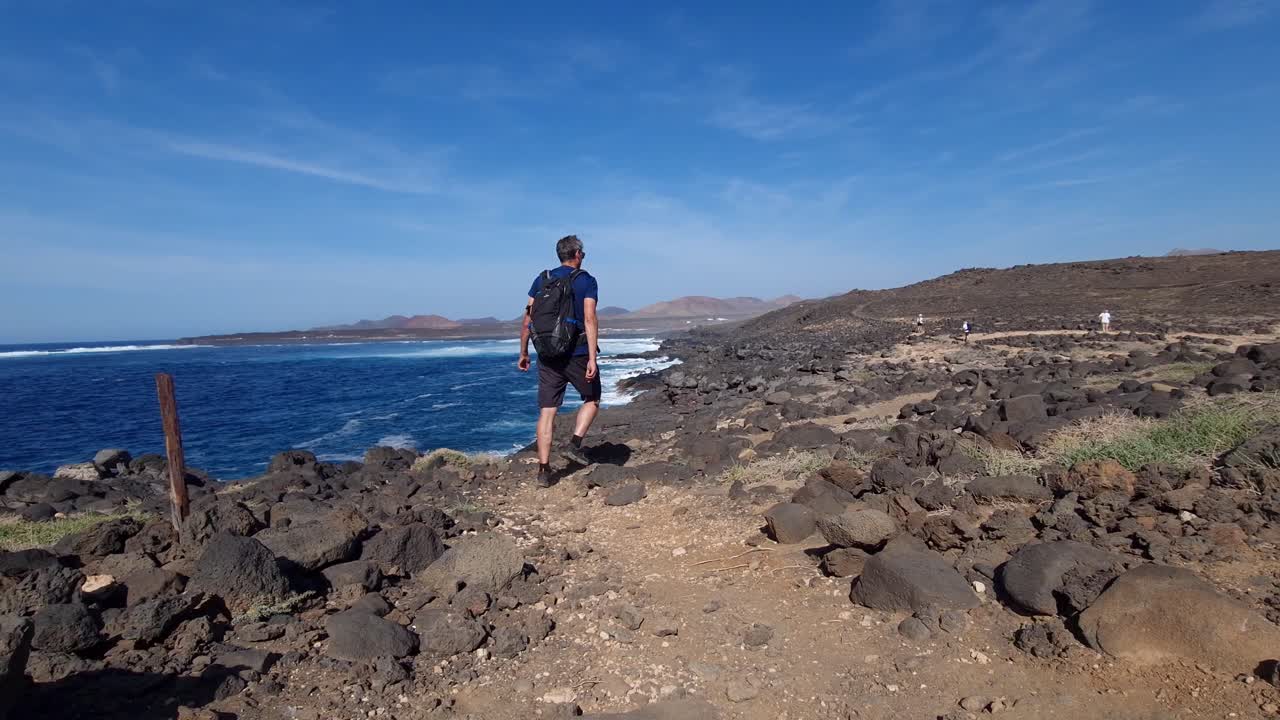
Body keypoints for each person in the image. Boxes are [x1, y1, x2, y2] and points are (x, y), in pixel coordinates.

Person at [518, 235, 601, 487]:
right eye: (582, 252)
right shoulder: (586, 280)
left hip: (547, 354)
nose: (583, 256)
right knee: (592, 398)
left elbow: (527, 321)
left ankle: (544, 471)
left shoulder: (542, 279)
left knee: (547, 411)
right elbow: (589, 319)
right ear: (576, 254)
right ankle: (574, 445)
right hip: (575, 352)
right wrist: (592, 357)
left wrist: (523, 353)